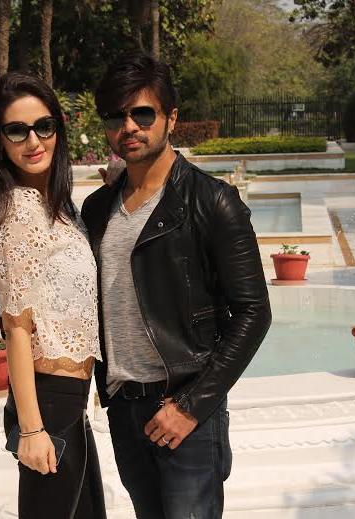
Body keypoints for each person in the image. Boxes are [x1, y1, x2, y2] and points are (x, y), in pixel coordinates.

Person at [81, 52, 272, 519]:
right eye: (115, 117)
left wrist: (190, 406)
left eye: (143, 114)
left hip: (186, 410)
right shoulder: (97, 208)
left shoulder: (212, 202)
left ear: (171, 118)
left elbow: (254, 312)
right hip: (125, 410)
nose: (129, 127)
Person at [0, 72, 106, 519]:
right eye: (17, 130)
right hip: (48, 403)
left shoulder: (58, 208)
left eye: (44, 126)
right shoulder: (18, 213)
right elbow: (16, 329)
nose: (33, 141)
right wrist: (31, 430)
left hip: (70, 401)